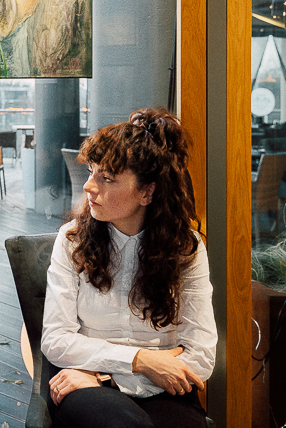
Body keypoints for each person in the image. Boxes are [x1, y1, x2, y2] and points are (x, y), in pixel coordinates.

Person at [41, 108, 216, 428]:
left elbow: (201, 356)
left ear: (147, 192)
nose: (89, 187)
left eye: (107, 178)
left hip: (120, 380)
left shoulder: (185, 248)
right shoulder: (71, 241)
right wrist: (142, 361)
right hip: (87, 389)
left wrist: (109, 376)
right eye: (92, 172)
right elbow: (56, 340)